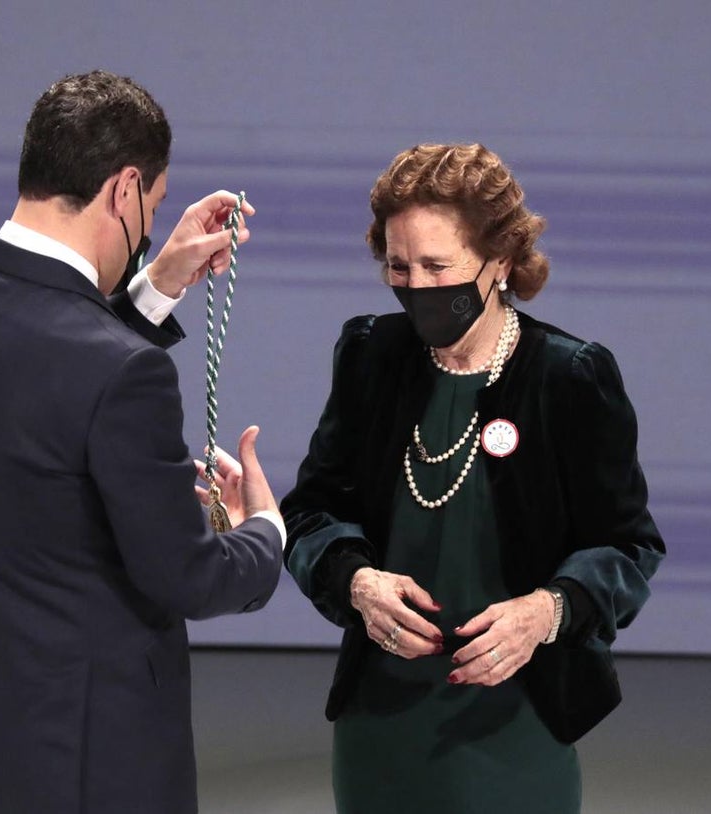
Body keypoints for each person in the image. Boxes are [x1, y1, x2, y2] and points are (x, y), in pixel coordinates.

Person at [0, 71, 285, 814]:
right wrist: (266, 529)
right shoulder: (120, 371)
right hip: (89, 766)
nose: (148, 227)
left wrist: (156, 285)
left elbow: (42, 380)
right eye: (154, 207)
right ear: (124, 188)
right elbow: (189, 577)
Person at [281, 143, 665, 813]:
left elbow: (628, 548)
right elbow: (312, 511)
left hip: (516, 725)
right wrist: (355, 580)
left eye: (438, 265)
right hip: (380, 728)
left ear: (501, 260)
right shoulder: (372, 355)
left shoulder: (569, 378)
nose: (417, 287)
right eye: (398, 266)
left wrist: (549, 610)